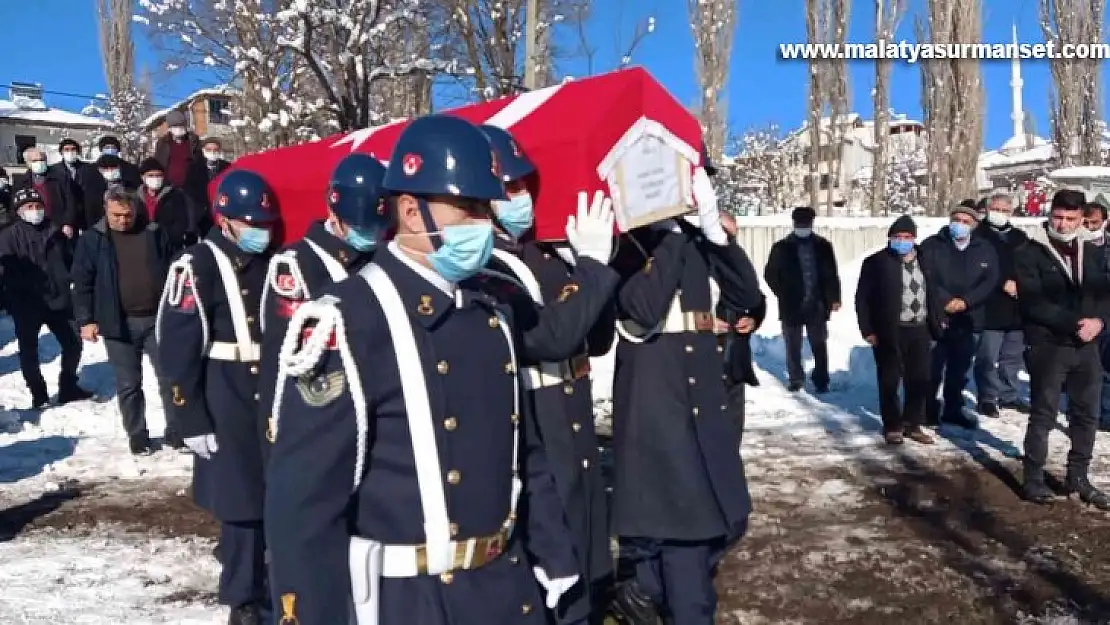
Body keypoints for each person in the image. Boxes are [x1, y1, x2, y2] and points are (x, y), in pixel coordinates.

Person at [265, 114, 580, 625]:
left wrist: (552, 551)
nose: (486, 223)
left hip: (506, 589)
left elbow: (523, 449)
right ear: (411, 211)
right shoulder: (348, 318)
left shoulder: (490, 311)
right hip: (413, 602)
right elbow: (302, 507)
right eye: (471, 208)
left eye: (488, 206)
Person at [608, 161, 759, 625]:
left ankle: (642, 587)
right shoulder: (629, 244)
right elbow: (644, 305)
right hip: (656, 403)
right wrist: (671, 235)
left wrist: (716, 235)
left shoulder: (696, 240)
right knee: (686, 532)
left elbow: (747, 297)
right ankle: (665, 597)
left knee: (727, 516)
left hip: (703, 396)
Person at [481, 123, 621, 625]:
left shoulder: (543, 256)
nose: (523, 198)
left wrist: (594, 269)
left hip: (574, 419)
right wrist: (590, 270)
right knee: (553, 569)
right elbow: (547, 338)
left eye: (526, 186)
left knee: (585, 556)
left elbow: (595, 339)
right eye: (510, 188)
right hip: (537, 425)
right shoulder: (485, 267)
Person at [156, 169, 279, 624]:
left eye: (266, 224)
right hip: (226, 395)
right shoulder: (197, 266)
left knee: (272, 495)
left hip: (269, 395)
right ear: (225, 221)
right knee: (241, 503)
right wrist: (189, 417)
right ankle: (242, 598)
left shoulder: (273, 262)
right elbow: (177, 347)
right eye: (252, 224)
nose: (261, 233)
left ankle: (268, 578)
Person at [257, 153, 387, 454]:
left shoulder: (384, 255)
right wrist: (277, 420)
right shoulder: (298, 264)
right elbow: (282, 354)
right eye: (362, 226)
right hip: (324, 411)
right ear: (334, 211)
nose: (372, 235)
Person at [1016, 189, 1110, 509]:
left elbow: (1104, 294)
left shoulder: (1093, 251)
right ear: (1050, 212)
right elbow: (1033, 301)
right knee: (1044, 413)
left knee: (1086, 414)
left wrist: (1099, 321)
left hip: (1087, 346)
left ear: (1082, 218)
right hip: (1049, 344)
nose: (1064, 224)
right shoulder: (1030, 250)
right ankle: (1033, 478)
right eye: (1059, 217)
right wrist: (1075, 322)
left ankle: (1078, 476)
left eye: (1071, 219)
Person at [71, 187, 179, 454]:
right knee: (129, 384)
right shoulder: (93, 239)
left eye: (127, 215)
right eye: (116, 215)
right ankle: (137, 435)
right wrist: (86, 319)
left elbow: (174, 269)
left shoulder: (154, 233)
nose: (122, 220)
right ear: (106, 210)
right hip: (118, 322)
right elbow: (82, 282)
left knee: (169, 378)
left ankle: (177, 432)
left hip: (156, 319)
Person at [0, 188, 93, 409]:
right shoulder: (8, 237)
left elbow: (71, 259)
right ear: (19, 211)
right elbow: (7, 272)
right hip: (26, 302)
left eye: (38, 206)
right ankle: (38, 394)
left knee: (73, 344)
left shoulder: (55, 231)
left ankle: (68, 385)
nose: (35, 211)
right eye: (29, 207)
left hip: (58, 299)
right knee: (29, 351)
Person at [856, 215, 937, 445]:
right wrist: (867, 329)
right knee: (890, 379)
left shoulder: (926, 260)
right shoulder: (876, 262)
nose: (902, 241)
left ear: (914, 238)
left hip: (920, 328)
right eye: (897, 237)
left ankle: (913, 423)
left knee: (919, 379)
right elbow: (862, 298)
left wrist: (938, 321)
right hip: (889, 330)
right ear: (890, 238)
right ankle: (892, 425)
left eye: (907, 237)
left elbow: (935, 291)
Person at [919, 204, 999, 428]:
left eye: (966, 221)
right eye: (957, 219)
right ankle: (928, 409)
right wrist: (946, 300)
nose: (960, 225)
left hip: (969, 317)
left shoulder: (985, 248)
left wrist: (966, 301)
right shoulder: (932, 245)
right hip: (938, 315)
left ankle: (953, 408)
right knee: (932, 367)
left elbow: (990, 280)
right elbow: (926, 276)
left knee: (959, 368)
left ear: (974, 225)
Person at [763, 206, 841, 392]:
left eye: (806, 224)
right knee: (793, 345)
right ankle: (796, 378)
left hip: (817, 304)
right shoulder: (781, 247)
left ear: (812, 224)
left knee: (819, 344)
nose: (803, 227)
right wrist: (782, 292)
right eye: (800, 224)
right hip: (791, 304)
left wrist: (834, 298)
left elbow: (831, 274)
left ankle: (821, 380)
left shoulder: (823, 246)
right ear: (794, 224)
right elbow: (770, 274)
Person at [973, 193, 1031, 417]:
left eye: (1005, 210)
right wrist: (1000, 282)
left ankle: (1009, 394)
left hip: (1016, 306)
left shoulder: (1019, 237)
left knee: (1012, 356)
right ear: (987, 209)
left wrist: (1023, 284)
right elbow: (977, 268)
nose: (1000, 213)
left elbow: (1029, 265)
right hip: (989, 305)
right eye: (996, 209)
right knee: (988, 356)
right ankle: (987, 396)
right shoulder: (979, 236)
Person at [717, 210, 767, 442]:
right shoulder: (695, 261)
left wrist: (754, 319)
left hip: (734, 357)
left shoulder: (737, 262)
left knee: (731, 428)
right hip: (702, 358)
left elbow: (757, 299)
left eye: (731, 234)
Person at [13, 147, 79, 242]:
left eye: (42, 159)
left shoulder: (60, 178)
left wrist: (68, 223)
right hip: (30, 227)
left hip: (57, 225)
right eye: (35, 160)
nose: (39, 162)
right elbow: (14, 207)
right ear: (28, 163)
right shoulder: (20, 182)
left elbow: (71, 202)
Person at [137, 157, 200, 253]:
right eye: (151, 175)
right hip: (143, 245)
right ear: (143, 177)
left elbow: (180, 223)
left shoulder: (175, 196)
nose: (155, 179)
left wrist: (163, 237)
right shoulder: (136, 197)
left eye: (158, 175)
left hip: (169, 246)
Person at [184, 136, 231, 223]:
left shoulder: (227, 167)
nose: (212, 152)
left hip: (220, 211)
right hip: (200, 212)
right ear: (203, 150)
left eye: (215, 150)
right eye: (209, 149)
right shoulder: (194, 167)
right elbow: (189, 190)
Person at [153, 110, 202, 190]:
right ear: (170, 128)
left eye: (181, 125)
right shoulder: (163, 143)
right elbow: (158, 164)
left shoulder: (193, 141)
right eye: (175, 126)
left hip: (190, 187)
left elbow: (199, 161)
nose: (179, 128)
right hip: (168, 187)